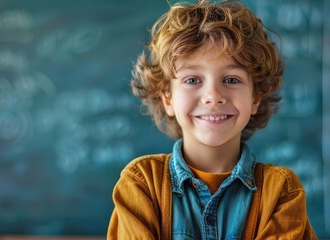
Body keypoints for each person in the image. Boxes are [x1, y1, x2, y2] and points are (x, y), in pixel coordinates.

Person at [107, 0, 317, 239]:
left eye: (231, 79)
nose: (214, 97)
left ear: (255, 97)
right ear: (168, 98)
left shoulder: (281, 192)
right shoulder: (142, 183)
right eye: (192, 80)